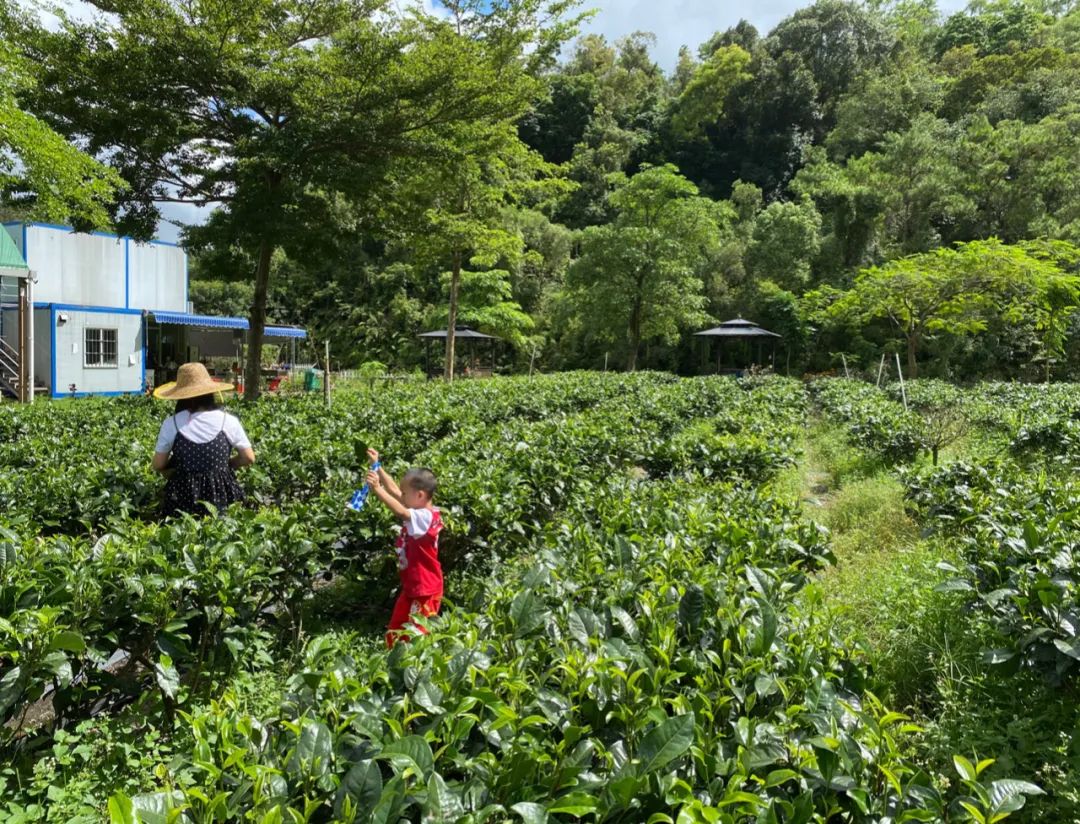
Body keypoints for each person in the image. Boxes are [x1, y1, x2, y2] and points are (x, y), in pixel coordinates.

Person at [151, 362, 255, 518]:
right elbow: (248, 457)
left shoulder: (172, 423)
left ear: (181, 396)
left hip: (183, 494)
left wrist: (175, 467)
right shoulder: (228, 420)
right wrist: (226, 466)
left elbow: (158, 464)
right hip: (221, 493)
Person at [364, 449, 443, 647]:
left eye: (405, 493)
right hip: (413, 585)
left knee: (418, 633)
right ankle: (393, 657)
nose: (401, 495)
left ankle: (416, 666)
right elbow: (395, 491)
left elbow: (401, 511)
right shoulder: (418, 505)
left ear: (420, 495)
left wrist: (377, 490)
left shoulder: (424, 517)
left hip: (425, 589)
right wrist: (378, 466)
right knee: (397, 626)